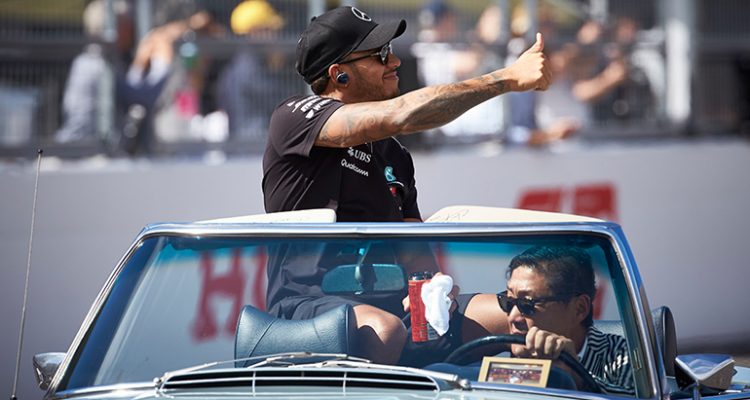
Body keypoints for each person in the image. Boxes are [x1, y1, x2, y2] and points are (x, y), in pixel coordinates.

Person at [261, 6, 548, 365]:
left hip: (397, 309)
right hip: (308, 306)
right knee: (386, 330)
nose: (395, 61)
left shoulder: (394, 153)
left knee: (528, 317)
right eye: (380, 54)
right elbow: (402, 114)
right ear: (339, 74)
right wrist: (506, 79)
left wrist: (435, 289)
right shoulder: (293, 117)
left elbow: (415, 254)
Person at [428, 246, 635, 395]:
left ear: (579, 308)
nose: (513, 317)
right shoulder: (493, 359)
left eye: (527, 304)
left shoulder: (624, 355)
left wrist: (578, 380)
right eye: (508, 302)